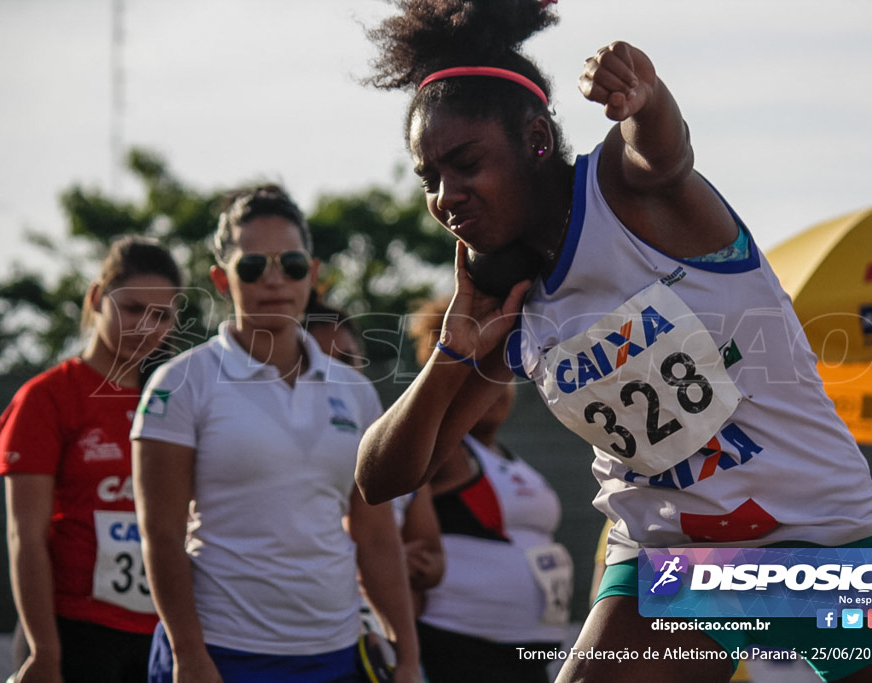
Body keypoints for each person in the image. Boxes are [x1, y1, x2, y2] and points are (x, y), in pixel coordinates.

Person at [353, 2, 872, 681]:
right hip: (676, 564)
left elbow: (661, 151)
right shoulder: (509, 305)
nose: (447, 196)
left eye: (465, 164)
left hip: (816, 540)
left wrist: (645, 96)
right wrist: (456, 347)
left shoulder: (624, 193)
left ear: (537, 139)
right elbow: (381, 477)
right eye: (431, 178)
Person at [131, 184, 421, 683]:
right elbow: (160, 534)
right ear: (221, 280)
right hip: (221, 653)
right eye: (251, 266)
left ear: (311, 274)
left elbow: (375, 538)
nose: (273, 279)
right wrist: (189, 655)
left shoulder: (355, 391)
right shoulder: (181, 382)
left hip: (335, 655)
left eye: (289, 264)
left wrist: (409, 657)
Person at [0, 236, 182, 683]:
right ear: (98, 298)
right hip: (73, 631)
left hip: (163, 632)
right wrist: (45, 650)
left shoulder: (175, 400)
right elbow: (26, 535)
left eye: (162, 315)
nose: (146, 326)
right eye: (133, 308)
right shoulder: (47, 398)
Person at [405, 294, 570, 683]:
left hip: (528, 654)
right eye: (479, 368)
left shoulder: (510, 458)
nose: (496, 384)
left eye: (501, 369)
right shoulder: (442, 452)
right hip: (463, 647)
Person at [304, 298, 446, 619]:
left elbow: (434, 558)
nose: (338, 374)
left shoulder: (393, 451)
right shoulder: (266, 454)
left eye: (347, 359)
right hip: (309, 633)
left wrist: (416, 564)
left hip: (389, 647)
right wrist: (376, 559)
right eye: (323, 364)